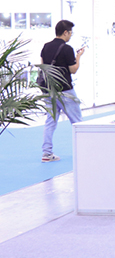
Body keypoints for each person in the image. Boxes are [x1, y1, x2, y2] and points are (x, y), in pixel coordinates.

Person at [40, 19, 84, 162]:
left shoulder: (46, 47)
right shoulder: (67, 49)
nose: (70, 35)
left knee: (50, 121)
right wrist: (78, 57)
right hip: (65, 90)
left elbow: (43, 66)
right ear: (65, 32)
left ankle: (46, 153)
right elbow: (73, 70)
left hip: (48, 90)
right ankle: (83, 150)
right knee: (77, 122)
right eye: (70, 33)